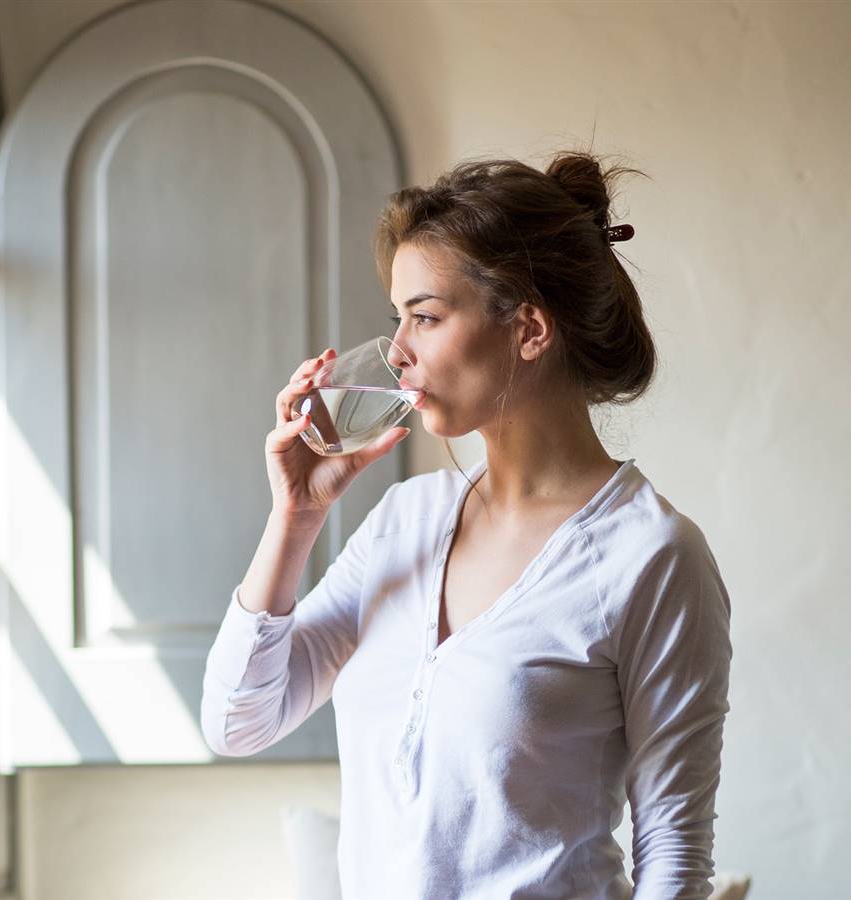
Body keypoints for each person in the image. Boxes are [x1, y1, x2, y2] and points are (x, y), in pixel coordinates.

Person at [201, 151, 733, 899]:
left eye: (425, 317)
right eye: (398, 319)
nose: (395, 353)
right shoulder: (404, 521)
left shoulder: (651, 556)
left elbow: (674, 856)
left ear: (530, 330)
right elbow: (237, 721)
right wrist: (296, 517)